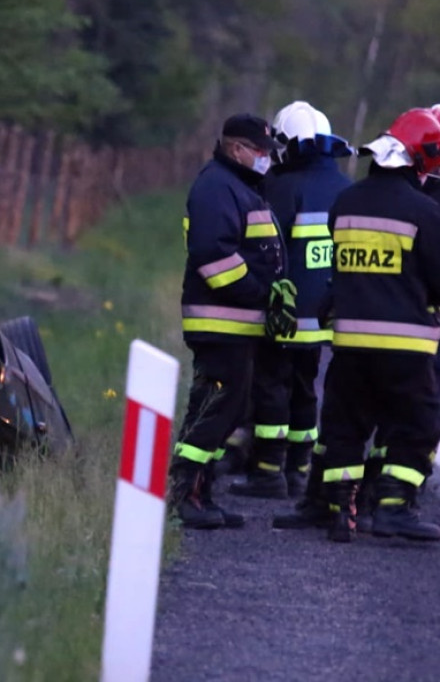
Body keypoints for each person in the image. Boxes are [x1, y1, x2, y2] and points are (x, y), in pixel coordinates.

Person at [288, 108, 440, 542]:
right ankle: (393, 509)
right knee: (417, 425)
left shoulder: (346, 202)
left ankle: (340, 510)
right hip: (406, 347)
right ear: (418, 161)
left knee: (344, 426)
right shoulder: (425, 213)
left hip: (350, 341)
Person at [171, 113, 294, 529]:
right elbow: (214, 258)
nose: (266, 160)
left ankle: (201, 494)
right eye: (260, 152)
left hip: (238, 325)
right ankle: (182, 493)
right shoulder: (216, 187)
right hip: (220, 323)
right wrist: (263, 292)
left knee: (230, 409)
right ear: (237, 149)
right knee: (213, 408)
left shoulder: (239, 187)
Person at [230, 102, 352, 500]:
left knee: (271, 388)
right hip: (324, 317)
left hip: (283, 313)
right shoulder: (344, 188)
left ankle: (268, 472)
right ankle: (299, 470)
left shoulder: (280, 188)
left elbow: (263, 247)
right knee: (306, 388)